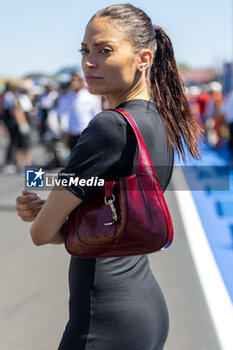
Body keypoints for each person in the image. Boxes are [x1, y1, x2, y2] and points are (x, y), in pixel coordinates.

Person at [15, 4, 202, 350]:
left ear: (143, 58)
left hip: (104, 318)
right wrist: (53, 206)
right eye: (85, 50)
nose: (89, 61)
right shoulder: (157, 119)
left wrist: (46, 212)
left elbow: (42, 234)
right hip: (144, 305)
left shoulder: (109, 127)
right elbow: (112, 211)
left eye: (105, 50)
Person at [57, 71, 102, 152]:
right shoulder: (66, 98)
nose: (73, 83)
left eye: (75, 80)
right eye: (72, 80)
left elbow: (97, 115)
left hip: (88, 135)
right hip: (72, 135)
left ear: (81, 82)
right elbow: (60, 114)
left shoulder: (91, 97)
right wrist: (63, 131)